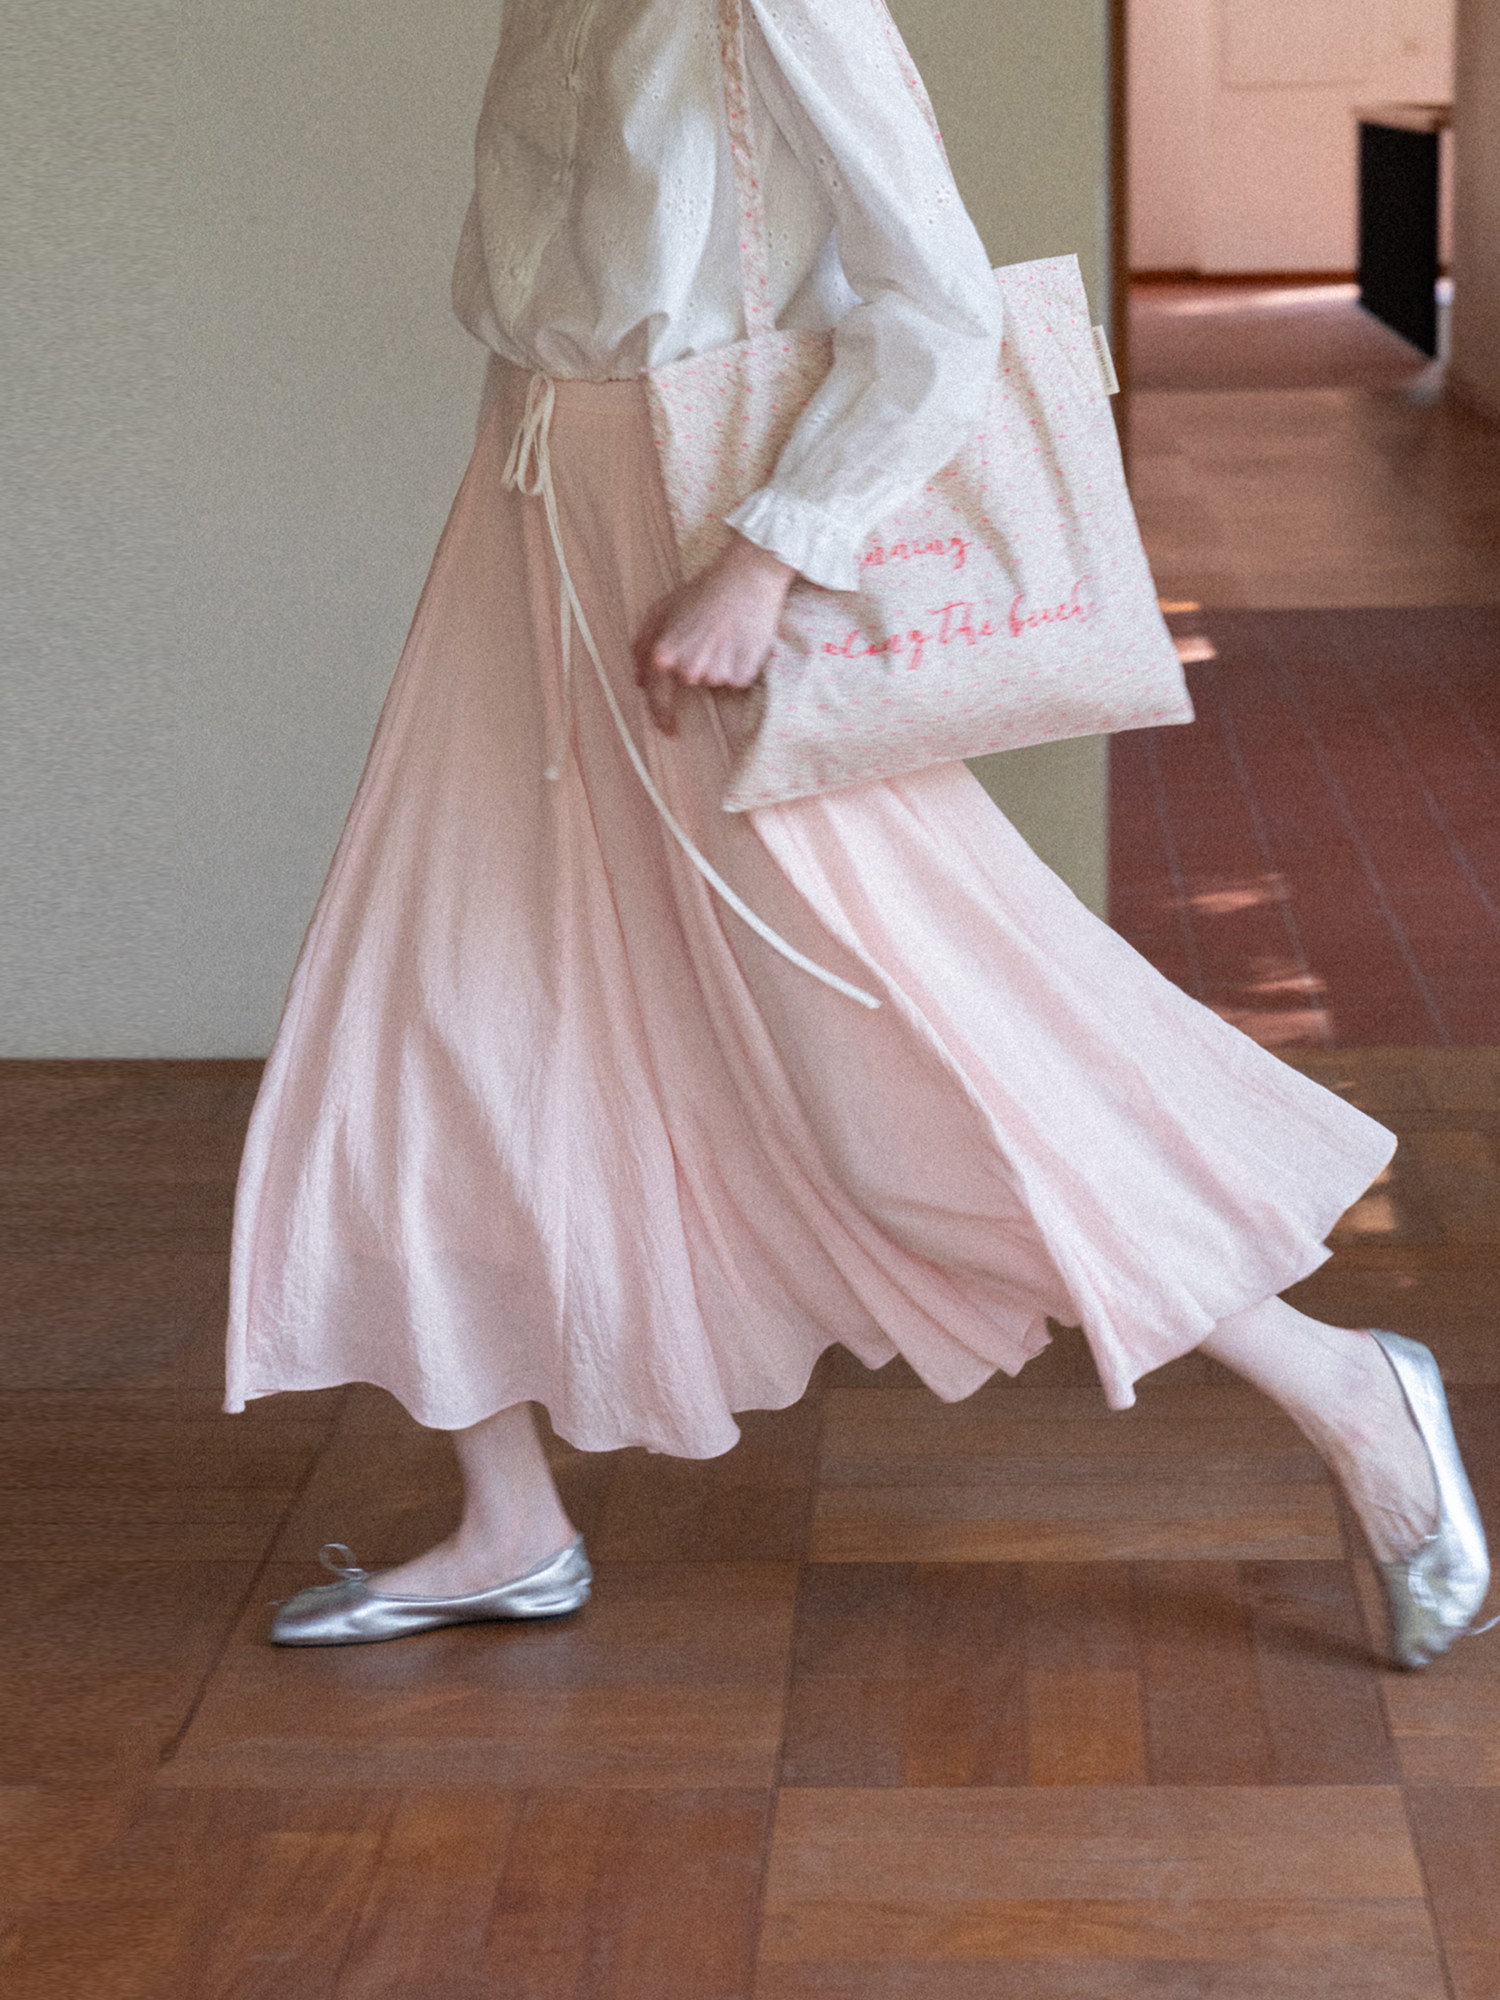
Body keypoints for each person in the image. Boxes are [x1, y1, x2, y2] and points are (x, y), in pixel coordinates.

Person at [229, 0, 1490, 1667]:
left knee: (907, 1034)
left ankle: (1341, 1382)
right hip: (528, 503)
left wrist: (770, 557)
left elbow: (939, 302)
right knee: (434, 991)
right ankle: (507, 1522)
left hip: (703, 545)